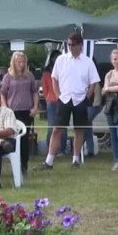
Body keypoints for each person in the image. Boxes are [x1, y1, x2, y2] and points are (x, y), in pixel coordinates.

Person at [36, 32, 100, 170]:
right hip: (64, 99)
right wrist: (58, 94)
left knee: (79, 130)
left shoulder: (88, 62)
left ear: (80, 45)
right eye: (69, 44)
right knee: (57, 129)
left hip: (80, 99)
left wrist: (87, 97)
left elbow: (93, 82)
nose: (70, 47)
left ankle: (76, 160)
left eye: (73, 45)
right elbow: (54, 78)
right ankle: (49, 161)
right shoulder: (61, 60)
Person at [1, 51, 38, 176]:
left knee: (24, 140)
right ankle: (13, 165)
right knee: (12, 138)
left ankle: (24, 166)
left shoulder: (29, 76)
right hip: (12, 112)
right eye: (19, 62)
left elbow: (34, 92)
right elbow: (3, 94)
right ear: (14, 62)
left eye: (23, 62)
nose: (21, 64)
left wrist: (35, 107)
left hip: (26, 111)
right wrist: (5, 109)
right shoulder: (7, 77)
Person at [42, 50, 67, 155]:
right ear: (52, 59)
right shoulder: (47, 72)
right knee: (52, 126)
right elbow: (45, 88)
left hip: (63, 99)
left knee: (63, 127)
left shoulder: (65, 69)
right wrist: (48, 97)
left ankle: (62, 149)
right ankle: (51, 150)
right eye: (55, 57)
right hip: (52, 101)